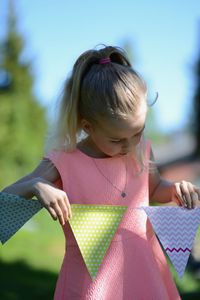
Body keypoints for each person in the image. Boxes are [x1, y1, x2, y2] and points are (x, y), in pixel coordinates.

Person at [2, 45, 200, 299]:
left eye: (138, 132)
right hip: (91, 285)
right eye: (117, 139)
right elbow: (3, 207)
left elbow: (153, 190)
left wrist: (174, 190)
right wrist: (36, 185)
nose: (129, 145)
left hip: (146, 275)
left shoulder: (141, 150)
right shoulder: (64, 161)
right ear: (88, 126)